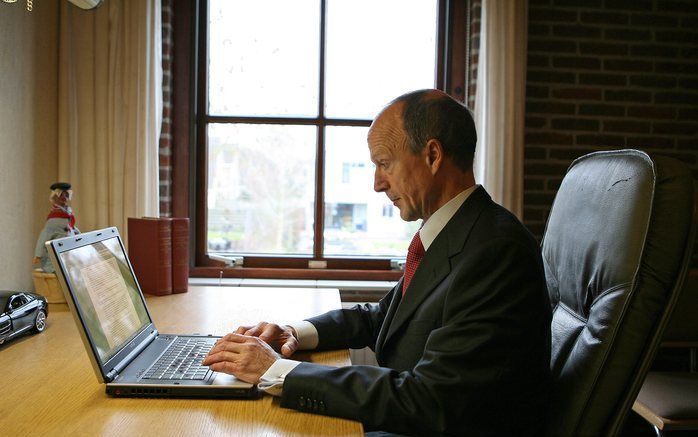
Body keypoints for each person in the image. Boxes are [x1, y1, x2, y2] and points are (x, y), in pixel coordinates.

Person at [203, 89, 551, 436]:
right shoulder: (455, 232)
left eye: (384, 163)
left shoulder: (496, 251)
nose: (376, 184)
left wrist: (279, 371)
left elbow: (431, 399)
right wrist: (293, 334)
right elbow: (383, 317)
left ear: (432, 155)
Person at [33, 182, 80, 273]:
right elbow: (44, 237)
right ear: (55, 197)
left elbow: (71, 228)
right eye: (61, 195)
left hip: (67, 252)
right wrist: (38, 255)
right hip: (56, 256)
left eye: (66, 195)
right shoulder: (53, 220)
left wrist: (81, 237)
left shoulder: (67, 213)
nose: (64, 198)